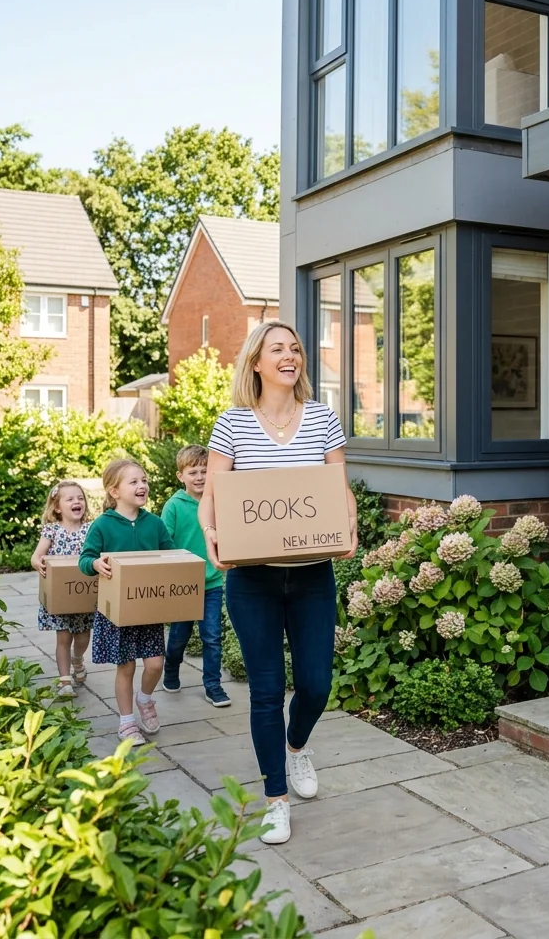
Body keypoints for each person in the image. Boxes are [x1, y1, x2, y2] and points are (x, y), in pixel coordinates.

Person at [200, 320, 357, 845]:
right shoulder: (233, 424)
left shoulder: (322, 418)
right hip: (253, 582)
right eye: (277, 349)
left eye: (295, 349)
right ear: (256, 363)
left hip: (312, 576)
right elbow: (212, 499)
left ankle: (296, 748)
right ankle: (275, 799)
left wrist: (349, 523)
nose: (290, 355)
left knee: (315, 684)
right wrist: (211, 535)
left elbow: (339, 487)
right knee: (265, 691)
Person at [79, 459, 175, 744]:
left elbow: (171, 555)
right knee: (126, 666)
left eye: (144, 480)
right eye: (133, 482)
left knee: (156, 664)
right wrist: (95, 563)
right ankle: (126, 722)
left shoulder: (154, 523)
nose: (142, 485)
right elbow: (85, 559)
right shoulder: (103, 525)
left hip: (147, 608)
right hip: (117, 611)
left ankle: (144, 699)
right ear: (114, 491)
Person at [160, 444, 231, 708]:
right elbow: (163, 542)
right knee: (179, 635)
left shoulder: (217, 503)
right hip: (183, 585)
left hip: (212, 582)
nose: (200, 477)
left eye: (204, 471)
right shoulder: (174, 506)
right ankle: (171, 668)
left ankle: (213, 686)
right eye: (193, 472)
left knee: (211, 636)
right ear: (180, 476)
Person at [31, 480, 93, 698]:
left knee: (84, 635)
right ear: (57, 507)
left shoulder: (90, 529)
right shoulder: (52, 530)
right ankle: (64, 679)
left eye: (80, 498)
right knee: (63, 637)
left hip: (84, 595)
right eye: (70, 499)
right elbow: (37, 556)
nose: (77, 502)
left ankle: (78, 659)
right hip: (61, 596)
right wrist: (38, 562)